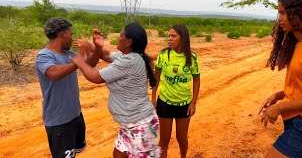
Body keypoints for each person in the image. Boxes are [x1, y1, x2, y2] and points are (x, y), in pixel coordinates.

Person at [70, 22, 161, 158]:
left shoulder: (129, 62)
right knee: (118, 154)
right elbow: (106, 55)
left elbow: (95, 77)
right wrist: (97, 46)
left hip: (139, 125)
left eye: (120, 36)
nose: (118, 39)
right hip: (129, 124)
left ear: (129, 41)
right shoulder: (130, 57)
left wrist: (79, 60)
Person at [259, 0, 302, 157]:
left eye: (283, 13)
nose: (280, 18)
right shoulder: (299, 43)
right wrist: (279, 95)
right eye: (279, 13)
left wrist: (281, 107)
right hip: (297, 121)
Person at [35, 18, 102, 158]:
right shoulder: (44, 56)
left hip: (75, 115)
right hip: (59, 121)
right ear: (62, 34)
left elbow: (90, 64)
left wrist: (97, 48)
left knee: (73, 153)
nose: (72, 38)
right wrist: (82, 56)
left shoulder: (69, 55)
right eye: (71, 34)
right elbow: (54, 74)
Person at [152, 25, 201, 158]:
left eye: (174, 36)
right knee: (164, 141)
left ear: (183, 39)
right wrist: (153, 98)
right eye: (169, 36)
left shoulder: (192, 58)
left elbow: (196, 80)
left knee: (182, 139)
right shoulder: (163, 55)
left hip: (184, 104)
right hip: (165, 103)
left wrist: (193, 103)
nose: (170, 39)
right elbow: (156, 77)